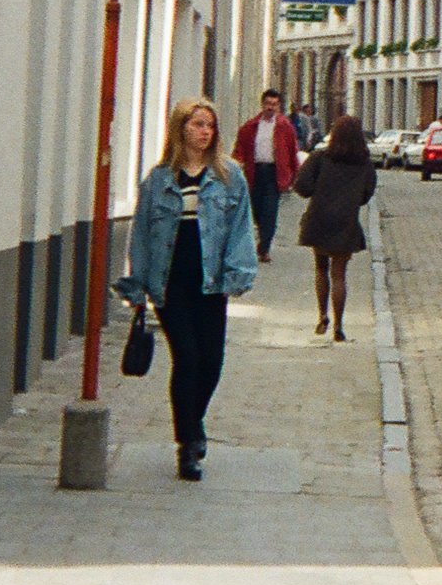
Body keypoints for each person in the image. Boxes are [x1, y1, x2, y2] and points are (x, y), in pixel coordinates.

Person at [115, 98, 257, 481]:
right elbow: (141, 234)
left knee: (212, 361)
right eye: (197, 124)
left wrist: (239, 272)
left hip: (210, 283)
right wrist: (138, 284)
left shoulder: (229, 176)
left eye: (209, 125)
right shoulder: (159, 180)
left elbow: (240, 228)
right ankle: (188, 443)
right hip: (171, 282)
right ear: (181, 129)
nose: (205, 131)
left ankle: (194, 423)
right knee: (188, 358)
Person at [294, 114, 377, 340]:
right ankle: (339, 325)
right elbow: (367, 194)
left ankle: (322, 315)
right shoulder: (365, 164)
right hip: (346, 222)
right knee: (339, 274)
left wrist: (319, 191)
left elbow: (301, 186)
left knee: (321, 268)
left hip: (319, 219)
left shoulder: (320, 158)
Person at [234, 90, 302, 263]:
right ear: (262, 104)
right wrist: (237, 162)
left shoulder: (285, 127)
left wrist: (295, 175)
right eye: (268, 104)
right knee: (256, 208)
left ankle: (264, 249)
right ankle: (261, 235)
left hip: (274, 173)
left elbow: (292, 152)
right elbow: (240, 148)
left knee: (270, 212)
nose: (270, 107)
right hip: (255, 172)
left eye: (274, 104)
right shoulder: (251, 126)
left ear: (278, 106)